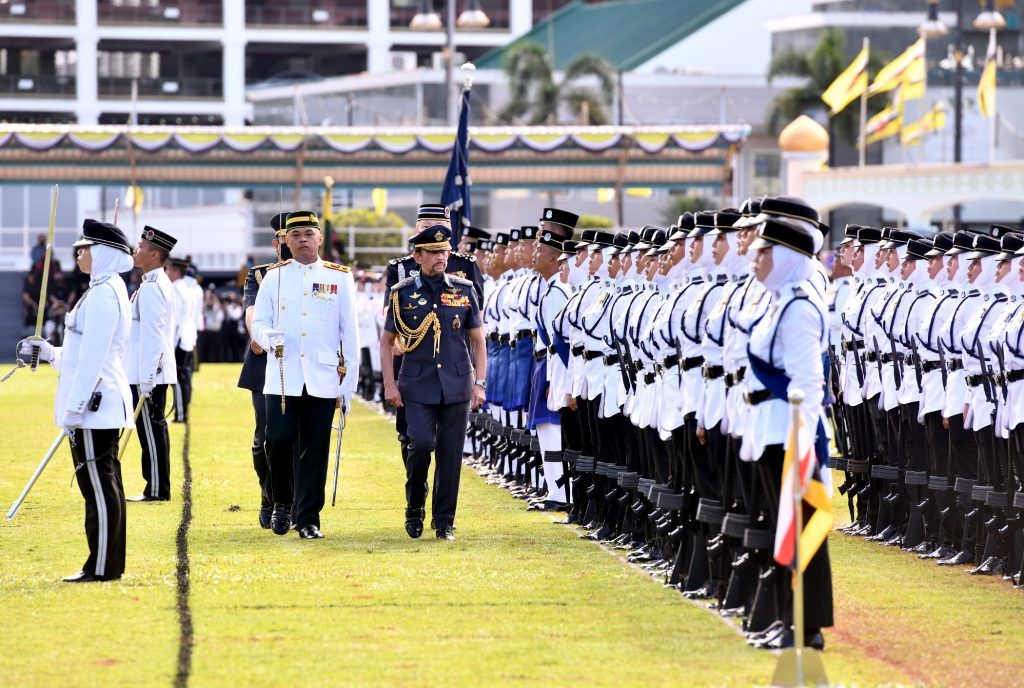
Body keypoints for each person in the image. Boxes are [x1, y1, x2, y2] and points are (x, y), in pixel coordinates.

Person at [19, 219, 135, 582]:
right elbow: (80, 349)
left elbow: (94, 357)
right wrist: (50, 353)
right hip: (95, 403)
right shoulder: (99, 289)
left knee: (100, 488)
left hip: (95, 404)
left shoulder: (104, 293)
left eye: (85, 248)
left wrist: (74, 407)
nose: (79, 253)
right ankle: (104, 563)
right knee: (101, 486)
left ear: (101, 253)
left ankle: (102, 567)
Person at [743, 217, 833, 650]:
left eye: (764, 252)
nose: (755, 259)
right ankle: (785, 618)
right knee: (780, 526)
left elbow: (808, 383)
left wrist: (803, 443)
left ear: (785, 258)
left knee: (802, 528)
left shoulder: (799, 307)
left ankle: (807, 625)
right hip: (768, 425)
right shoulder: (775, 301)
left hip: (789, 431)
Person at [252, 210, 359, 540]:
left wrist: (348, 386)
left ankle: (308, 517)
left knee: (315, 447)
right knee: (278, 440)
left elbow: (350, 334)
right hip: (282, 375)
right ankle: (283, 501)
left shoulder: (339, 277)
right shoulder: (274, 277)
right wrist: (270, 339)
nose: (302, 240)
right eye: (295, 234)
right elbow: (258, 324)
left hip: (323, 376)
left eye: (308, 234)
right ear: (285, 240)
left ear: (319, 238)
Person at [380, 224, 487, 541]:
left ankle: (444, 522)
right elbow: (386, 342)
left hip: (456, 383)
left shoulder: (463, 290)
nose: (441, 257)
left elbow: (478, 340)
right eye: (434, 252)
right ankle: (414, 506)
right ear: (418, 256)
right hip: (417, 385)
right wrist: (389, 384)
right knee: (421, 444)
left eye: (445, 251)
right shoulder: (402, 294)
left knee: (451, 454)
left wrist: (480, 383)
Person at [238, 212, 292, 529]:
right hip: (266, 362)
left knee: (297, 439)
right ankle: (269, 495)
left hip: (302, 362)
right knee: (265, 438)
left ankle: (291, 503)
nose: (290, 243)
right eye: (285, 238)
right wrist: (257, 338)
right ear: (276, 243)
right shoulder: (260, 275)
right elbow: (251, 310)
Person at [125, 226, 179, 503]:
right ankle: (154, 487)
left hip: (149, 375)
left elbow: (153, 335)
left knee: (152, 432)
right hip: (147, 372)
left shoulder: (153, 287)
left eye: (141, 247)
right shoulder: (150, 283)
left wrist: (147, 375)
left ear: (155, 254)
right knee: (149, 433)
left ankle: (157, 490)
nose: (136, 250)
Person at [167, 258, 197, 422]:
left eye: (169, 269)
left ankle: (180, 414)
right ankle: (182, 412)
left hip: (179, 339)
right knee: (183, 376)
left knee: (178, 378)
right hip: (186, 337)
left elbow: (175, 320)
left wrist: (171, 342)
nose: (167, 272)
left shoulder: (176, 289)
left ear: (176, 272)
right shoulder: (186, 288)